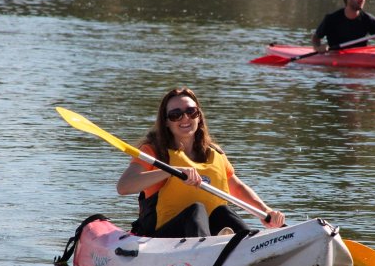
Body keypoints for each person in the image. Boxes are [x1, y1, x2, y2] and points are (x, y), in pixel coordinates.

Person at [117, 88, 285, 238]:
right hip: (160, 237)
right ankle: (208, 251)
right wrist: (171, 171)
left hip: (203, 236)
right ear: (166, 121)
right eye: (176, 114)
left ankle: (249, 246)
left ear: (199, 117)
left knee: (222, 212)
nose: (185, 118)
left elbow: (238, 188)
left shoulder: (215, 153)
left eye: (191, 111)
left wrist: (266, 212)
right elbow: (124, 187)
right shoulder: (153, 152)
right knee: (195, 209)